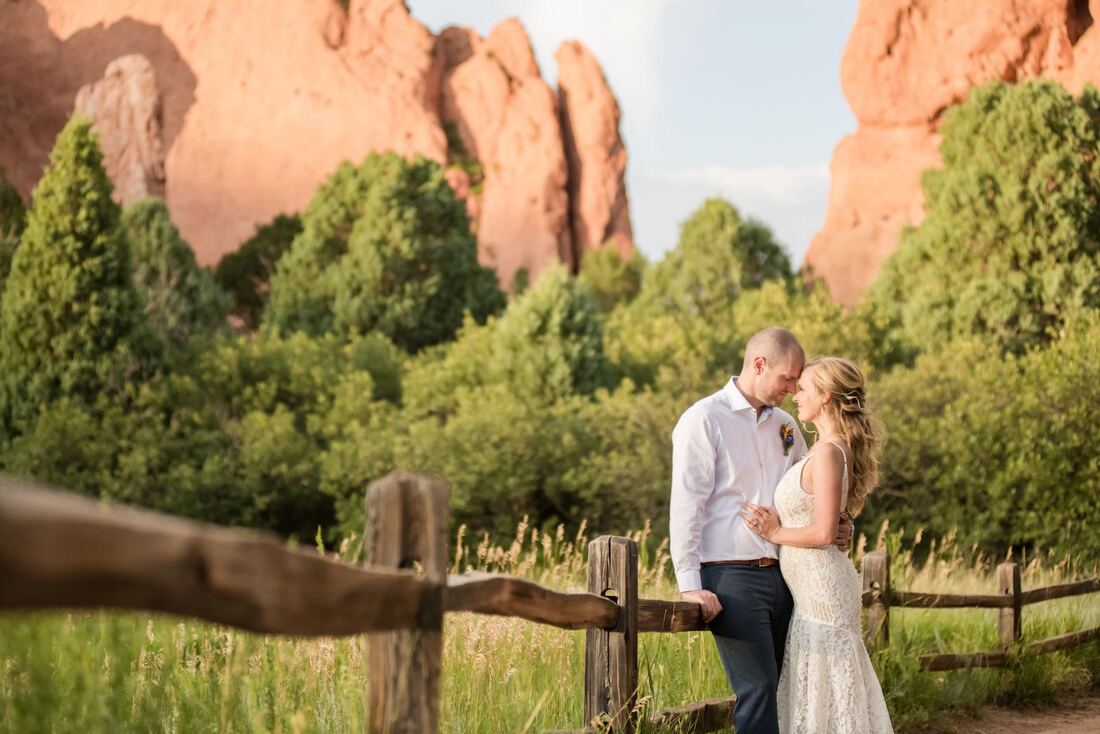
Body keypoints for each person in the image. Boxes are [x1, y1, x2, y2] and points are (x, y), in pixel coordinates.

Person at [669, 327, 851, 734]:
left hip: (788, 575)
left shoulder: (786, 426)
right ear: (758, 364)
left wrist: (841, 523)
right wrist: (688, 584)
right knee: (759, 687)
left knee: (791, 686)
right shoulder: (703, 419)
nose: (793, 386)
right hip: (731, 575)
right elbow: (686, 506)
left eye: (798, 380)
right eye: (788, 378)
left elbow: (812, 489)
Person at [743, 356, 893, 733]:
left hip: (823, 592)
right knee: (822, 692)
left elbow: (824, 532)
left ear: (825, 397)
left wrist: (775, 533)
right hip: (813, 591)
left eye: (805, 388)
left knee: (831, 691)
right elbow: (830, 518)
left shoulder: (828, 452)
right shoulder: (825, 448)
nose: (796, 395)